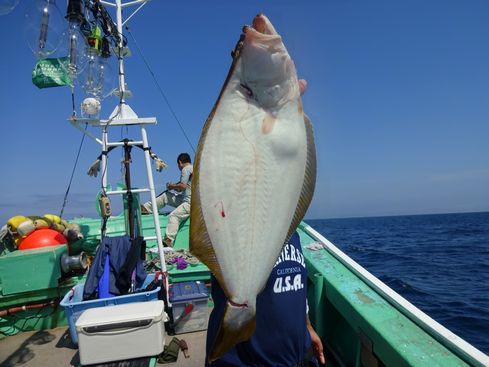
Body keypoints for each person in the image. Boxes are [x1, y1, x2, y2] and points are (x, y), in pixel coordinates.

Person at [206, 232, 325, 366]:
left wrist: (307, 327)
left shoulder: (292, 233)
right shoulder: (232, 233)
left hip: (296, 356)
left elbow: (297, 286)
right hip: (246, 360)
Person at [141, 152, 193, 247]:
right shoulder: (194, 169)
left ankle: (169, 239)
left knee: (174, 216)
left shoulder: (185, 169)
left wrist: (171, 185)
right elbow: (185, 187)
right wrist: (174, 187)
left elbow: (182, 186)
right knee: (166, 196)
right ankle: (146, 208)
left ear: (180, 162)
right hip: (189, 199)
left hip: (190, 203)